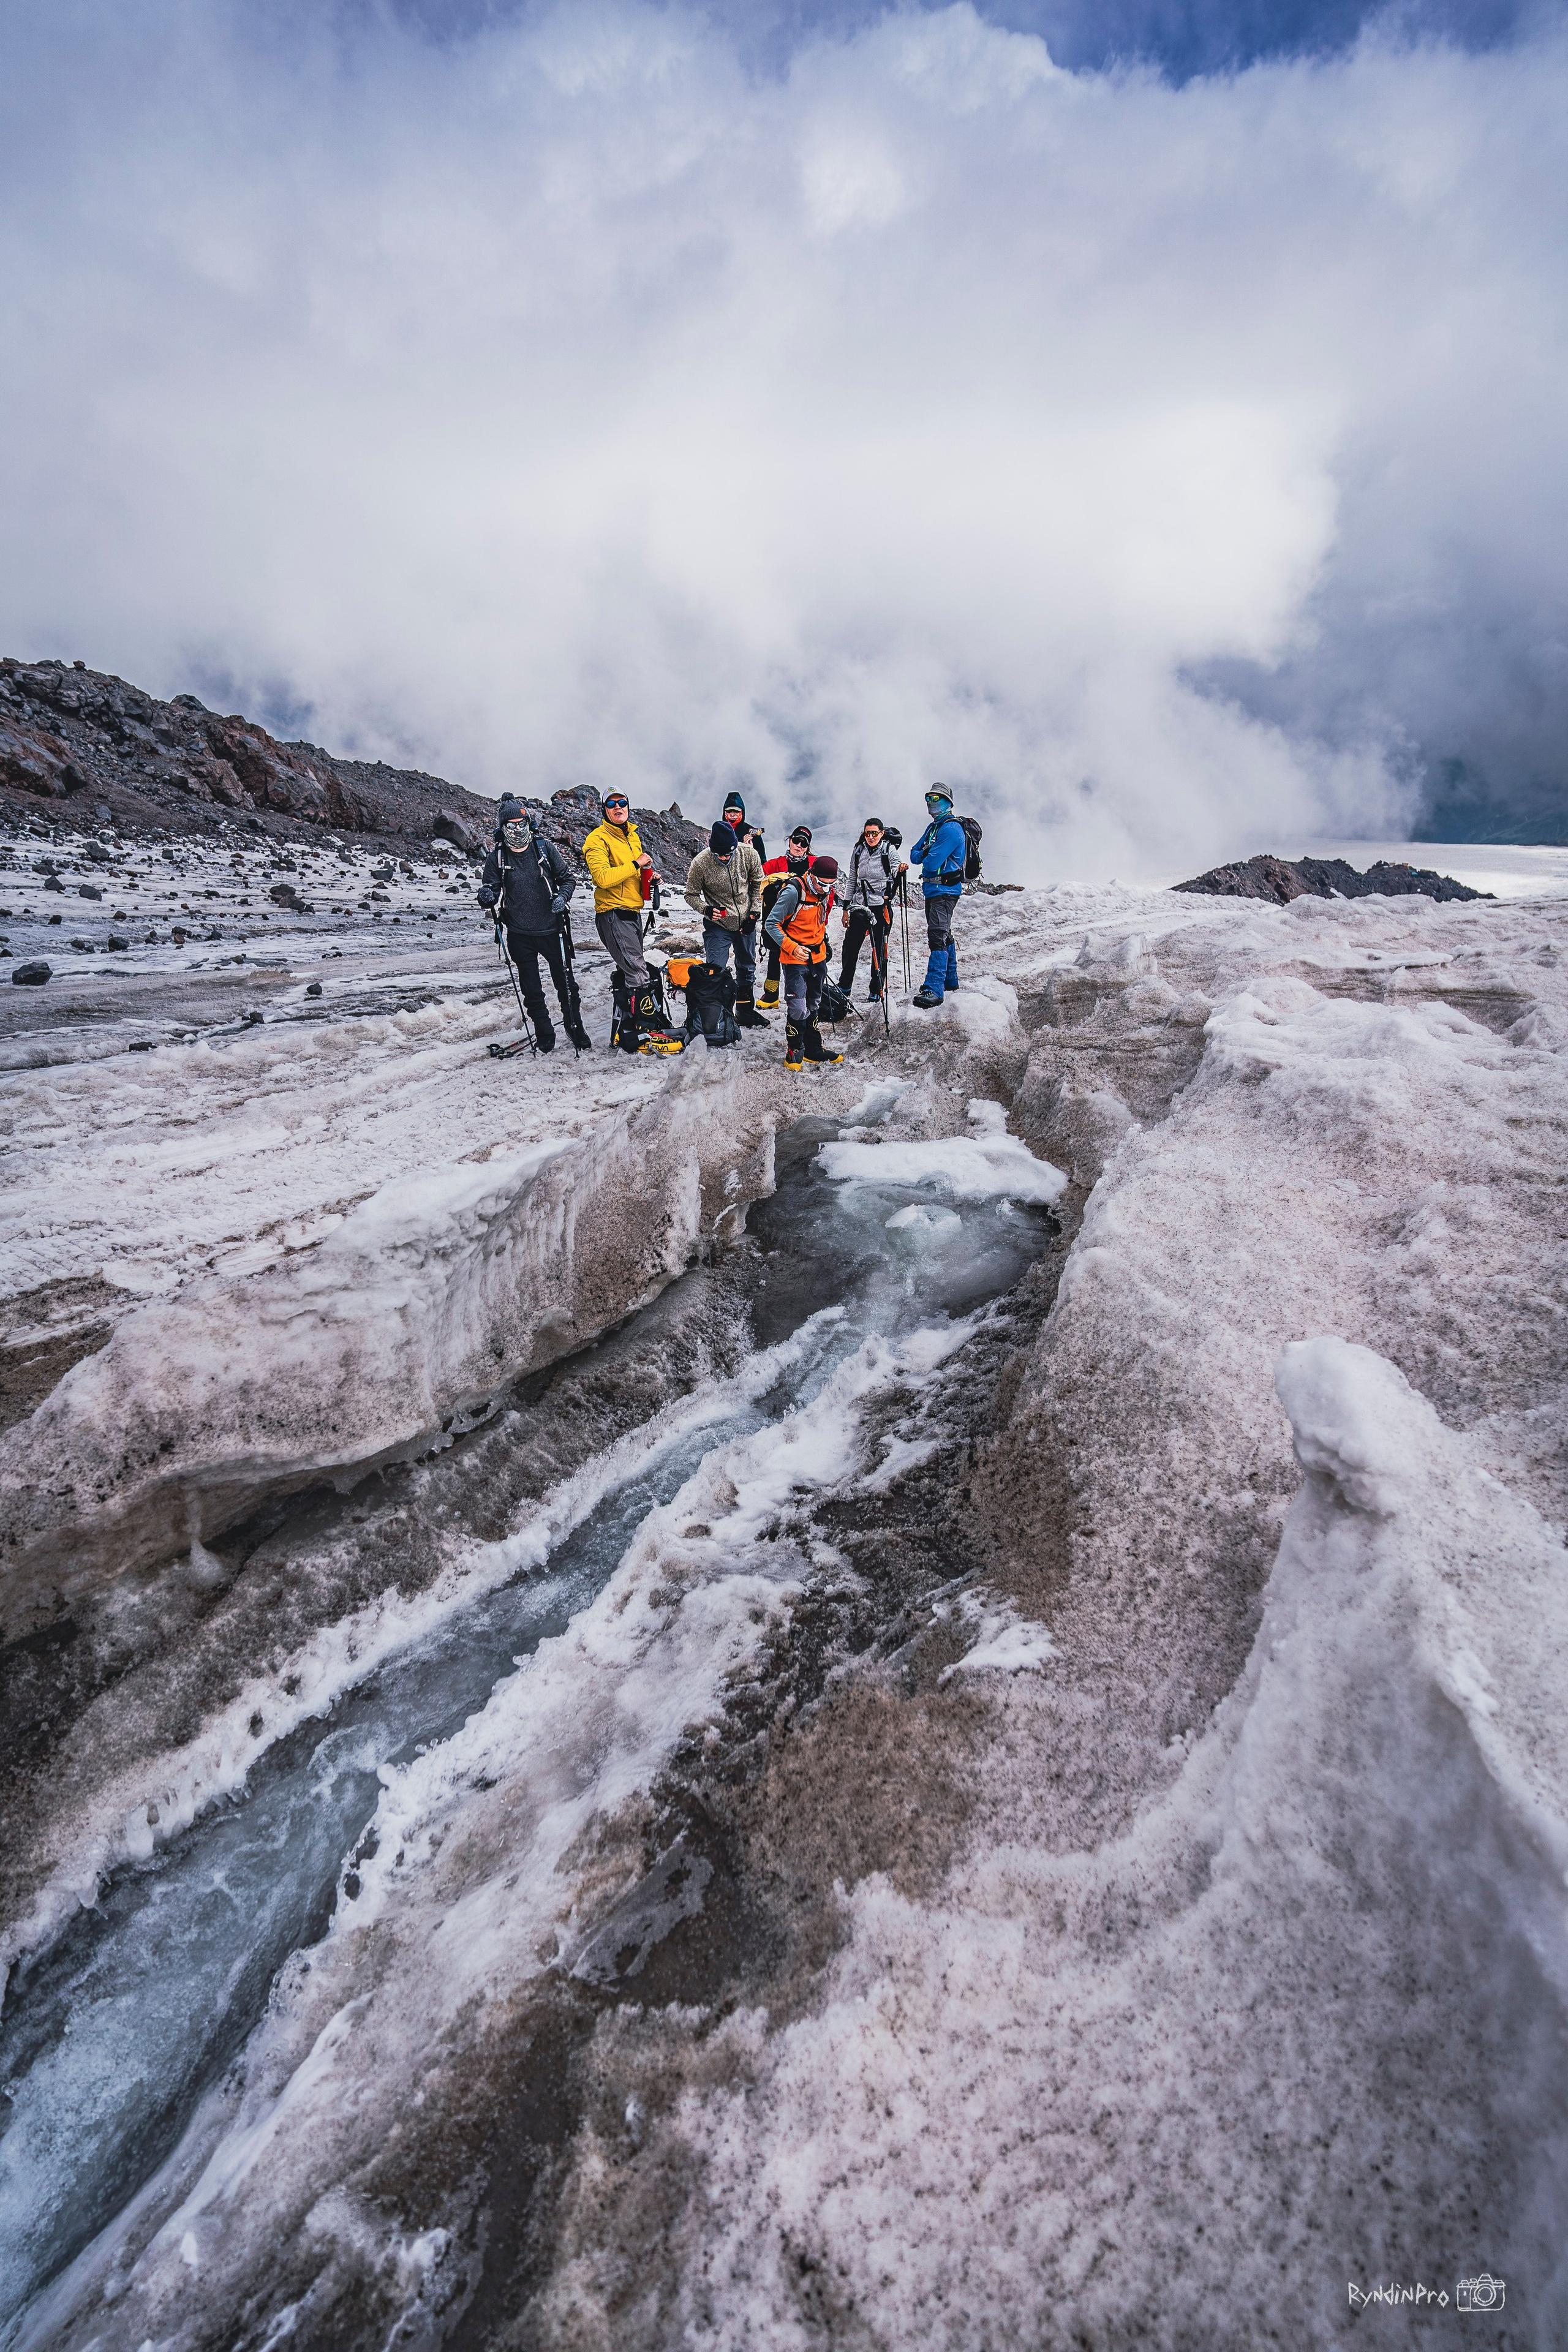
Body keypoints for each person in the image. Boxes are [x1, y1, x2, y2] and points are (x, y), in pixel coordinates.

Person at [478, 798, 591, 1052]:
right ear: (502, 826)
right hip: (519, 933)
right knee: (531, 989)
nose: (518, 829)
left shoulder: (544, 848)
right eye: (511, 824)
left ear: (529, 822)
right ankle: (545, 1033)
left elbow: (567, 879)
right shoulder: (497, 857)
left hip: (553, 930)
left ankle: (575, 1029)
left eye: (522, 823)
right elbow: (492, 891)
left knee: (566, 984)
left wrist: (562, 898)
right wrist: (486, 896)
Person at [582, 789, 671, 1051]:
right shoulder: (596, 840)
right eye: (612, 804)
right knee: (637, 972)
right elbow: (603, 878)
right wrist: (636, 864)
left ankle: (630, 1027)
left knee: (635, 968)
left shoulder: (632, 836)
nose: (618, 807)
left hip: (632, 912)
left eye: (622, 803)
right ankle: (641, 1031)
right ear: (604, 809)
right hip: (613, 914)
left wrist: (648, 877)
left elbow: (633, 873)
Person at [763, 853, 844, 1069]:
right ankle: (795, 1050)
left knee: (814, 1003)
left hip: (817, 958)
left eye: (830, 885)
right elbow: (771, 924)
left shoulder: (824, 892)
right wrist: (793, 947)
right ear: (812, 875)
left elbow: (819, 922)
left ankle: (813, 1049)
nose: (825, 889)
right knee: (798, 1007)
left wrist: (823, 945)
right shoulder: (793, 892)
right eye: (821, 884)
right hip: (794, 959)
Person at [685, 820, 767, 1025]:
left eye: (727, 854)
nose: (723, 858)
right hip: (718, 925)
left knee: (747, 967)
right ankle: (714, 1018)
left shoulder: (748, 854)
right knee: (714, 970)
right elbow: (690, 894)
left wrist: (754, 915)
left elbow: (759, 885)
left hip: (746, 922)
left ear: (735, 847)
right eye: (719, 855)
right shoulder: (701, 863)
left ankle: (745, 1011)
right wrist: (706, 909)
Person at [908, 785, 966, 1008]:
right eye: (928, 798)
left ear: (948, 802)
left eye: (937, 798)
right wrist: (927, 851)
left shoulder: (950, 830)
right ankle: (951, 982)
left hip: (945, 892)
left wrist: (927, 852)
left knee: (937, 937)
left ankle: (934, 989)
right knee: (945, 934)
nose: (932, 802)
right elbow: (914, 855)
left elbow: (930, 862)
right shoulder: (934, 827)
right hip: (934, 890)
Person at [838, 816, 907, 1001]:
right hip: (860, 906)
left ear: (881, 833)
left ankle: (876, 989)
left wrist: (900, 869)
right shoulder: (858, 851)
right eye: (867, 833)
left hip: (880, 907)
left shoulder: (889, 851)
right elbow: (852, 879)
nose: (870, 837)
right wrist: (846, 908)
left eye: (874, 833)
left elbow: (894, 871)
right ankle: (845, 986)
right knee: (850, 948)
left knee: (879, 950)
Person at [758, 825, 815, 1010]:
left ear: (808, 847)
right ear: (790, 841)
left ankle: (805, 995)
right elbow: (756, 874)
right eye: (796, 841)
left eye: (803, 843)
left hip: (805, 920)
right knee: (776, 955)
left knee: (806, 957)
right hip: (781, 918)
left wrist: (823, 917)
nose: (798, 846)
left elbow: (826, 893)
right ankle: (771, 994)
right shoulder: (777, 863)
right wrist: (749, 848)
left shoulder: (814, 864)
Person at [720, 791, 766, 865]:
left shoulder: (753, 832)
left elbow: (762, 860)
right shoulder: (720, 831)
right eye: (729, 811)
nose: (732, 814)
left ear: (742, 812)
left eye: (736, 811)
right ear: (725, 812)